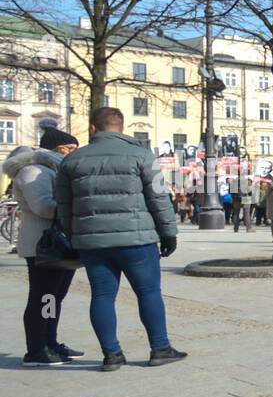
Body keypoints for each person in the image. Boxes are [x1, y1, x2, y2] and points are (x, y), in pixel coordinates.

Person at [53, 106, 186, 371]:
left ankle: (112, 355)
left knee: (101, 295)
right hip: (137, 239)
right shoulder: (142, 155)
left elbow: (64, 205)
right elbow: (159, 197)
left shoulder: (72, 160)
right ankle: (160, 349)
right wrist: (169, 231)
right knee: (148, 292)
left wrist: (72, 234)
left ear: (93, 128)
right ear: (122, 128)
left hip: (92, 242)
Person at [5, 126, 84, 366]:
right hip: (43, 245)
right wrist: (74, 205)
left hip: (59, 244)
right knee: (43, 298)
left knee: (54, 297)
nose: (74, 154)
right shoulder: (32, 171)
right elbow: (42, 207)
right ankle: (36, 350)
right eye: (72, 149)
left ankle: (51, 342)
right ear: (60, 149)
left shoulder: (52, 169)